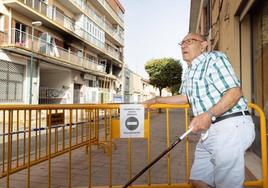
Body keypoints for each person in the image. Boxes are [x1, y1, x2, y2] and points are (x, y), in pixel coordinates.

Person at [144, 33, 255, 188]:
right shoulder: (188, 71)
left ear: (203, 45)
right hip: (209, 130)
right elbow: (186, 97)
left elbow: (234, 92)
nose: (183, 46)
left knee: (228, 184)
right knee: (198, 180)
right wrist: (156, 100)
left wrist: (209, 114)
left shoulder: (214, 59)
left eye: (189, 41)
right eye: (181, 43)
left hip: (230, 125)